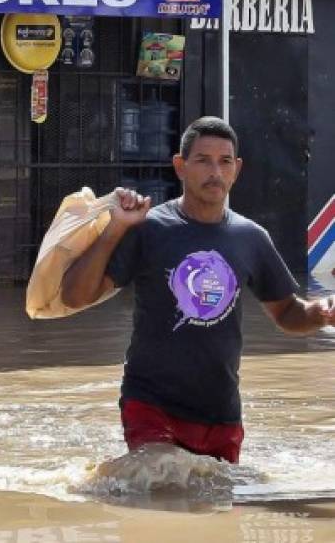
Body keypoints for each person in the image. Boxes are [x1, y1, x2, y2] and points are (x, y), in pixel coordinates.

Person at [61, 116, 335, 464]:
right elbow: (74, 297)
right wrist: (115, 229)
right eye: (203, 161)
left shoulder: (251, 238)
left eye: (224, 162)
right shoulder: (149, 229)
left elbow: (286, 313)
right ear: (180, 166)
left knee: (217, 503)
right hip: (151, 404)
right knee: (160, 477)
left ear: (237, 169)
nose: (215, 173)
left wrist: (322, 312)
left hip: (221, 415)